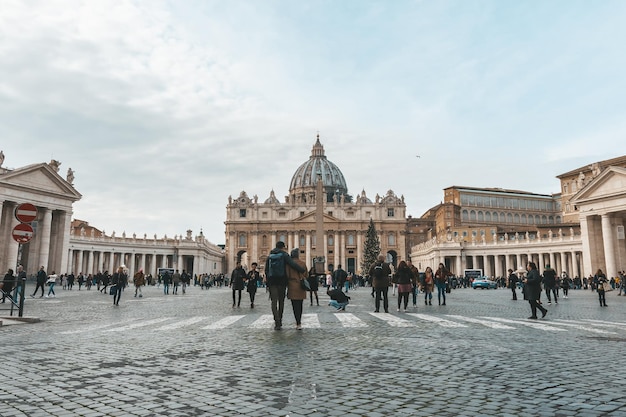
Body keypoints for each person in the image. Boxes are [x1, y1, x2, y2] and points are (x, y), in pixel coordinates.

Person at [264, 241, 306, 330]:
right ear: (283, 247)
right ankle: (280, 319)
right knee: (281, 301)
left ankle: (277, 321)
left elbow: (266, 270)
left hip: (272, 282)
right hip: (281, 281)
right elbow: (292, 264)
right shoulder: (284, 255)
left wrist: (268, 281)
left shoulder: (270, 255)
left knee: (274, 302)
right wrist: (301, 270)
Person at [286, 248, 308, 330]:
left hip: (292, 286)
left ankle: (297, 321)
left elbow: (287, 275)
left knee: (294, 305)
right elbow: (306, 275)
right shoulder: (303, 263)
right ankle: (299, 322)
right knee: (300, 305)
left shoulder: (288, 265)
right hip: (301, 286)